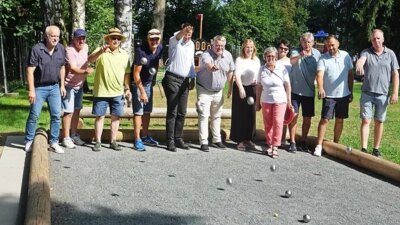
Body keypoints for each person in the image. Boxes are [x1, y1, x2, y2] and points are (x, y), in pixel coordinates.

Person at [355, 29, 399, 157]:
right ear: (371, 41)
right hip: (367, 93)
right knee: (366, 120)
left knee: (379, 121)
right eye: (374, 39)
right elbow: (361, 60)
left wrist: (395, 92)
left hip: (383, 94)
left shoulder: (390, 54)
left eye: (378, 38)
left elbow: (395, 74)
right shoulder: (366, 52)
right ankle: (364, 149)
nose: (376, 41)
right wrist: (359, 64)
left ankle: (376, 149)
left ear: (383, 39)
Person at [88, 27, 131, 152]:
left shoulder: (124, 55)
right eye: (113, 38)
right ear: (108, 39)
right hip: (101, 91)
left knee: (116, 117)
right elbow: (89, 60)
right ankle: (98, 142)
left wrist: (127, 88)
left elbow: (127, 73)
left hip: (118, 92)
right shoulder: (101, 51)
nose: (116, 40)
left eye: (118, 38)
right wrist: (100, 52)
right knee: (100, 117)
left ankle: (113, 141)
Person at [24, 25, 66, 153]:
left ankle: (54, 141)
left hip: (54, 87)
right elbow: (30, 70)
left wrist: (62, 85)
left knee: (56, 115)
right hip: (39, 87)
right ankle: (29, 140)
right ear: (46, 36)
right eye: (53, 36)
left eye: (57, 36)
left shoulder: (61, 49)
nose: (55, 39)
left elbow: (62, 67)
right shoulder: (37, 49)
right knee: (34, 115)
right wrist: (31, 90)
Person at [314, 35, 354, 157]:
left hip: (343, 94)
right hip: (329, 95)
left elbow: (350, 75)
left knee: (340, 120)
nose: (330, 47)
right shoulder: (323, 58)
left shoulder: (346, 56)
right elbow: (319, 75)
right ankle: (319, 145)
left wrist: (351, 91)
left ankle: (336, 144)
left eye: (332, 45)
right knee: (325, 119)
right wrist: (320, 88)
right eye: (328, 45)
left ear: (338, 44)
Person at [196, 35, 235, 151]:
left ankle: (217, 140)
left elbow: (231, 72)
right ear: (212, 44)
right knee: (204, 115)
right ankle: (204, 142)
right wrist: (212, 67)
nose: (219, 48)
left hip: (219, 91)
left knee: (217, 115)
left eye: (222, 46)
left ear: (225, 45)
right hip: (204, 90)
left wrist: (230, 88)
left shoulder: (228, 55)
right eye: (217, 45)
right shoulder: (206, 54)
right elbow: (208, 65)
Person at [162, 23, 196, 152]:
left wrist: (192, 77)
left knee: (182, 112)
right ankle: (170, 140)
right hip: (172, 79)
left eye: (190, 34)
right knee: (173, 111)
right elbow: (179, 36)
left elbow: (191, 62)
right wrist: (183, 31)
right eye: (186, 33)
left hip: (185, 80)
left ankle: (178, 138)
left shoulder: (191, 44)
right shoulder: (174, 41)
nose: (187, 36)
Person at [255, 47, 292, 159]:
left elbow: (287, 85)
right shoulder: (261, 69)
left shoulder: (282, 68)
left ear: (275, 57)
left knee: (278, 122)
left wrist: (289, 101)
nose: (270, 58)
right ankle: (269, 143)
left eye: (272, 56)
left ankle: (275, 146)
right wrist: (257, 102)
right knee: (268, 123)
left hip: (280, 99)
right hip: (266, 100)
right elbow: (259, 86)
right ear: (265, 57)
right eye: (268, 56)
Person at [131, 28, 163, 151]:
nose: (154, 41)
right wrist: (142, 91)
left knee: (147, 111)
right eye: (152, 39)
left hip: (149, 82)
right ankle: (137, 139)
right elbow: (136, 74)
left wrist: (152, 80)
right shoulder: (140, 51)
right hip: (138, 83)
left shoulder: (160, 49)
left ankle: (144, 135)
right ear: (148, 39)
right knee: (138, 111)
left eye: (157, 39)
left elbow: (155, 65)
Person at [288, 32, 321, 153]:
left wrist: (321, 87)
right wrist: (300, 56)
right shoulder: (296, 51)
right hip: (295, 91)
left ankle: (303, 141)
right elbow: (292, 61)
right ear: (301, 42)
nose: (306, 44)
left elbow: (320, 71)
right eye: (304, 42)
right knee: (294, 116)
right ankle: (292, 142)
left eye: (309, 42)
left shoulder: (317, 54)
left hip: (309, 92)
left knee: (307, 118)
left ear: (313, 43)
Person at [61, 29, 94, 149]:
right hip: (69, 85)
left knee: (76, 111)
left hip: (79, 86)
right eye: (79, 38)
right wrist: (85, 71)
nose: (81, 40)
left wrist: (100, 52)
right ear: (73, 39)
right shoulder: (69, 50)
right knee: (68, 112)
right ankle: (66, 137)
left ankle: (74, 134)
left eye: (83, 38)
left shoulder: (85, 47)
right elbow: (74, 68)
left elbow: (89, 59)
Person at [229, 39, 260, 150]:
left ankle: (249, 139)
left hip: (252, 88)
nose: (249, 49)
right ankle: (239, 140)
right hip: (240, 88)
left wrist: (257, 81)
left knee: (251, 114)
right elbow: (236, 74)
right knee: (240, 114)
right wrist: (241, 88)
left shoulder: (256, 60)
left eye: (251, 47)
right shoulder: (239, 59)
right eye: (247, 47)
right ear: (243, 48)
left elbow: (258, 74)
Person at [277, 39, 292, 147]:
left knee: (284, 117)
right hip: (274, 92)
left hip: (285, 92)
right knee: (274, 116)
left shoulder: (290, 62)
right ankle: (273, 139)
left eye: (285, 49)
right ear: (278, 48)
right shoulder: (273, 60)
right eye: (281, 48)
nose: (283, 50)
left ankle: (282, 140)